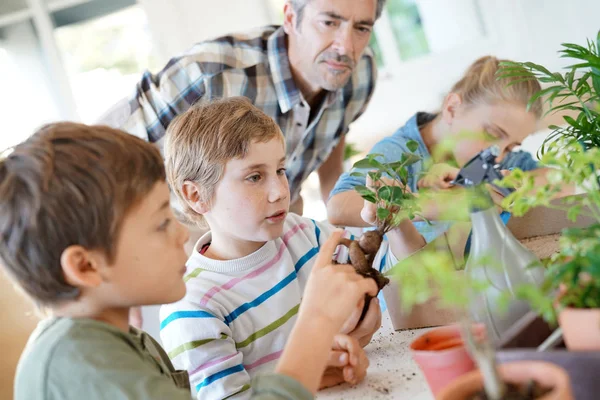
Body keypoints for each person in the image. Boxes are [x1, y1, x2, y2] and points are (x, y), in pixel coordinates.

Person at [0, 122, 381, 400]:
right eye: (161, 224)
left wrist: (306, 373)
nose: (182, 235)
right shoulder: (82, 365)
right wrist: (316, 322)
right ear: (86, 266)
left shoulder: (115, 343)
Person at [160, 97, 426, 399]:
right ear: (196, 195)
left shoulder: (305, 235)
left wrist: (398, 222)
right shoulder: (192, 307)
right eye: (255, 176)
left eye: (281, 170)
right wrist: (309, 368)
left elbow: (404, 284)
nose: (279, 191)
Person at [100, 0, 387, 215]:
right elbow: (100, 163)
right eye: (329, 23)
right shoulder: (209, 73)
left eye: (362, 28)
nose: (346, 47)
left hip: (273, 232)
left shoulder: (359, 76)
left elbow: (330, 156)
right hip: (193, 237)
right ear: (290, 17)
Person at [327, 55, 558, 242]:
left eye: (511, 146)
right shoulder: (400, 152)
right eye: (492, 134)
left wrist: (479, 182)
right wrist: (442, 204)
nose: (498, 153)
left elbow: (557, 180)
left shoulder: (494, 161)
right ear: (452, 108)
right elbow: (338, 207)